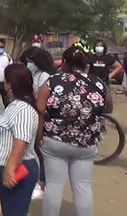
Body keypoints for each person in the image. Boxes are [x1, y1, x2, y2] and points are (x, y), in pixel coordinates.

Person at [37, 45, 113, 216]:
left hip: (55, 141)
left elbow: (40, 111)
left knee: (54, 185)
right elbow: (108, 108)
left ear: (63, 63)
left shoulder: (52, 82)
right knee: (83, 187)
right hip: (86, 142)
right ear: (86, 64)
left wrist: (39, 136)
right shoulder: (99, 84)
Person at [0, 63, 39, 216]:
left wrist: (9, 168)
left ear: (10, 84)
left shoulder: (23, 109)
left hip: (16, 168)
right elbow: (10, 127)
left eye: (5, 81)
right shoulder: (15, 104)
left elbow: (21, 140)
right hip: (5, 167)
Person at [20, 47, 55, 200]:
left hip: (41, 116)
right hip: (33, 115)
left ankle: (42, 184)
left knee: (40, 153)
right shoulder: (33, 74)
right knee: (33, 151)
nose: (28, 64)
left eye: (30, 62)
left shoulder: (44, 76)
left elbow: (41, 101)